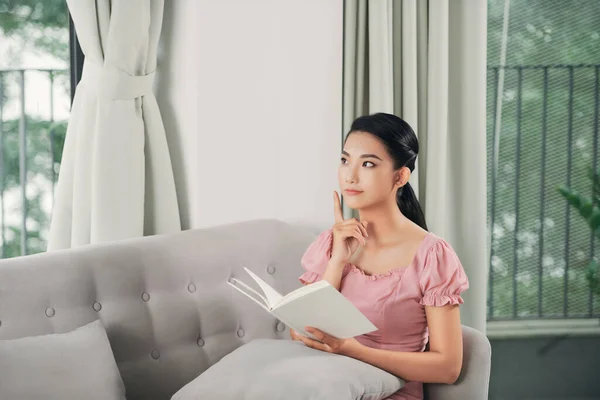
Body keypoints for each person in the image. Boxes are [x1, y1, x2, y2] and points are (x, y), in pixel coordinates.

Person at [289, 113, 469, 400]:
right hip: (327, 388)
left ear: (400, 176)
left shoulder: (432, 255)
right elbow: (302, 331)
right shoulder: (333, 243)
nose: (351, 175)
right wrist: (337, 261)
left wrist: (352, 350)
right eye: (346, 160)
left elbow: (448, 367)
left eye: (368, 164)